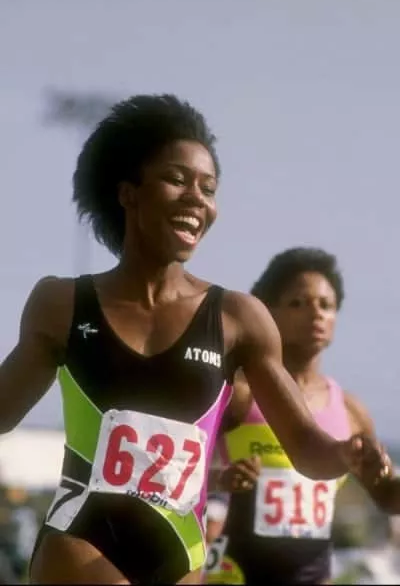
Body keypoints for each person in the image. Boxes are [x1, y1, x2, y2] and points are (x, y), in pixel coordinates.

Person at [0, 96, 389, 585]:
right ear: (128, 193)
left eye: (208, 188)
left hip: (181, 553)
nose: (197, 199)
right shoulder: (62, 304)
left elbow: (307, 448)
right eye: (177, 179)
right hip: (81, 537)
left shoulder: (239, 319)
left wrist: (346, 455)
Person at [204, 247, 395, 585]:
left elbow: (388, 497)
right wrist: (221, 478)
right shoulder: (241, 393)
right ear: (266, 312)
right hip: (233, 575)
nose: (316, 313)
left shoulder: (350, 411)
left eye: (326, 305)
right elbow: (182, 467)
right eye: (298, 303)